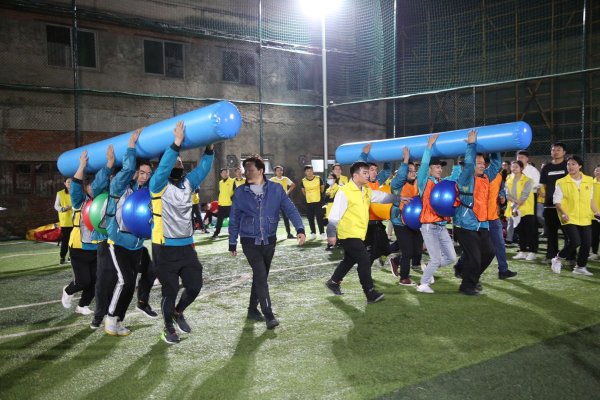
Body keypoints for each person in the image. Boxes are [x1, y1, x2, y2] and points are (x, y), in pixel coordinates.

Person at [149, 121, 214, 344]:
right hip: (164, 247)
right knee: (170, 290)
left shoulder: (187, 183)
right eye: (175, 160)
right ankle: (167, 327)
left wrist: (209, 149)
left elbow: (203, 169)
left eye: (179, 160)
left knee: (194, 286)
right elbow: (164, 167)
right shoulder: (157, 184)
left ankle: (178, 312)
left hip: (186, 246)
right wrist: (176, 143)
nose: (179, 162)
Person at [229, 155, 306, 329]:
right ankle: (268, 314)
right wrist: (232, 241)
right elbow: (234, 218)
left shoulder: (276, 189)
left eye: (250, 169)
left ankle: (252, 309)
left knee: (260, 276)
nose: (246, 172)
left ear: (261, 171)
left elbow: (290, 209)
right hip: (249, 241)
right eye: (245, 169)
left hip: (269, 241)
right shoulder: (240, 192)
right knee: (261, 275)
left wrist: (300, 229)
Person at [95, 129, 159, 335]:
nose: (144, 177)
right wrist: (131, 145)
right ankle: (110, 318)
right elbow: (128, 167)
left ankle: (119, 320)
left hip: (137, 244)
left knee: (130, 287)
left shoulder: (144, 192)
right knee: (125, 281)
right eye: (142, 173)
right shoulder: (119, 186)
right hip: (118, 242)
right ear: (134, 173)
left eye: (148, 174)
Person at [324, 161, 399, 303]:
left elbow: (381, 197)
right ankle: (370, 293)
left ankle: (333, 282)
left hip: (359, 234)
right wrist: (331, 233)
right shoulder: (344, 192)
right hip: (347, 234)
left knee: (349, 260)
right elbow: (334, 216)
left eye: (368, 172)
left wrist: (399, 198)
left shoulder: (366, 190)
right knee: (364, 260)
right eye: (365, 173)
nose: (368, 175)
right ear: (355, 175)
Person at [61, 146, 113, 316]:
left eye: (95, 185)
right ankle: (68, 290)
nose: (93, 188)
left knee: (96, 280)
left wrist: (110, 164)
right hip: (79, 246)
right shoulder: (79, 200)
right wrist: (82, 165)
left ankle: (82, 305)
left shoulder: (102, 200)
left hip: (96, 246)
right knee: (83, 281)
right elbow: (76, 185)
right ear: (86, 187)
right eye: (89, 185)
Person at [453, 130, 501, 295]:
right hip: (464, 226)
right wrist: (471, 144)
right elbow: (468, 165)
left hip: (482, 224)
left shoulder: (486, 177)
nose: (481, 165)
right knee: (474, 257)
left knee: (489, 253)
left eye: (482, 163)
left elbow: (496, 165)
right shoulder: (465, 178)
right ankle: (466, 286)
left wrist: (495, 147)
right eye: (478, 163)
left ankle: (468, 274)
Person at [415, 133, 457, 294]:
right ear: (430, 169)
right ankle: (423, 284)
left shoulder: (442, 183)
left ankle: (428, 269)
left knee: (451, 258)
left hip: (441, 226)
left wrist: (458, 161)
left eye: (441, 167)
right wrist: (429, 147)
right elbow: (423, 165)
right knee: (435, 258)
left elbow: (455, 177)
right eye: (437, 167)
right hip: (428, 226)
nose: (440, 169)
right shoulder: (424, 182)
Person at [551, 156, 600, 276]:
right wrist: (563, 213)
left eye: (573, 164)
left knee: (586, 244)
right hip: (568, 216)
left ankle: (580, 267)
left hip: (585, 217)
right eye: (568, 164)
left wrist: (597, 212)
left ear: (580, 166)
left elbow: (590, 199)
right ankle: (558, 258)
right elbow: (557, 201)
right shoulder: (561, 182)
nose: (570, 167)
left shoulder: (589, 180)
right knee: (575, 241)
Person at [388, 147, 422, 286]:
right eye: (410, 170)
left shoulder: (417, 183)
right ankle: (404, 278)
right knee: (407, 251)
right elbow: (402, 175)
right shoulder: (397, 184)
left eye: (414, 170)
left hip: (414, 221)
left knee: (417, 250)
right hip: (400, 221)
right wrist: (406, 159)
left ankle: (396, 260)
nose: (413, 173)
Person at [486, 158, 517, 279]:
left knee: (500, 244)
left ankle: (503, 270)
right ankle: (461, 266)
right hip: (480, 218)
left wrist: (502, 195)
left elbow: (501, 190)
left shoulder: (499, 176)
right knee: (476, 247)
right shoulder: (479, 176)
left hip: (494, 217)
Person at [539, 143, 568, 262]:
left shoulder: (568, 165)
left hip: (565, 206)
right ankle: (551, 256)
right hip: (549, 205)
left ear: (564, 152)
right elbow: (545, 186)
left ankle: (569, 256)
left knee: (568, 233)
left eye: (558, 150)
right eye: (553, 150)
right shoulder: (546, 167)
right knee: (551, 233)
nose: (555, 152)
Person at [505, 160, 537, 261]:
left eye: (516, 167)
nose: (514, 168)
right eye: (512, 167)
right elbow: (507, 194)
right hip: (514, 209)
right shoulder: (508, 178)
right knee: (520, 231)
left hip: (526, 209)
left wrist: (517, 204)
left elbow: (524, 196)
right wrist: (515, 203)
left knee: (529, 231)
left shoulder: (528, 180)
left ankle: (532, 252)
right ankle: (523, 251)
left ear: (521, 168)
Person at [269, 165, 297, 239]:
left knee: (286, 217)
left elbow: (293, 185)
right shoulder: (272, 180)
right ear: (275, 172)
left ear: (282, 171)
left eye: (280, 170)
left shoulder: (285, 179)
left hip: (283, 201)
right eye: (277, 170)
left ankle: (289, 234)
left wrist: (287, 192)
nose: (279, 172)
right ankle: (273, 235)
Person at [301, 165, 325, 239]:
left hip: (318, 201)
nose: (309, 172)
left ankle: (322, 233)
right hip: (309, 202)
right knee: (310, 218)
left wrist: (317, 194)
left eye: (310, 171)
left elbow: (322, 189)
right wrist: (309, 196)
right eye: (307, 171)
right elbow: (303, 191)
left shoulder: (318, 178)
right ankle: (313, 232)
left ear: (313, 171)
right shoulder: (303, 181)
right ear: (305, 172)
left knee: (319, 218)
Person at [212, 168, 235, 238]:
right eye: (223, 173)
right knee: (219, 220)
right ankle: (216, 233)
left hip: (230, 204)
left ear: (228, 173)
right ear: (221, 174)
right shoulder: (220, 182)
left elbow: (236, 192)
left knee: (232, 220)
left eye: (226, 172)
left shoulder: (232, 181)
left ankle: (232, 233)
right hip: (221, 204)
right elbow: (220, 192)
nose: (225, 174)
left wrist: (232, 198)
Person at [54, 177, 73, 265]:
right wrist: (63, 209)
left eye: (71, 182)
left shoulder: (76, 192)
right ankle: (62, 257)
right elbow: (56, 206)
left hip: (75, 221)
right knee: (65, 240)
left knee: (74, 240)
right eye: (68, 182)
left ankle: (71, 256)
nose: (70, 184)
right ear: (65, 183)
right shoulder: (60, 193)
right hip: (65, 221)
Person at [323, 172, 341, 251]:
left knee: (335, 227)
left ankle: (334, 243)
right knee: (331, 227)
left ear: (335, 179)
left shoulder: (338, 188)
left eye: (331, 178)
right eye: (328, 178)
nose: (329, 180)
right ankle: (332, 243)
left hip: (336, 210)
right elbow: (326, 200)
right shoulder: (328, 189)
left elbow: (337, 199)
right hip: (329, 210)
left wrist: (329, 198)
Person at [590, 164, 600, 260]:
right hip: (594, 215)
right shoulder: (590, 184)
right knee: (594, 235)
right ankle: (594, 253)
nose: (598, 172)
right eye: (596, 170)